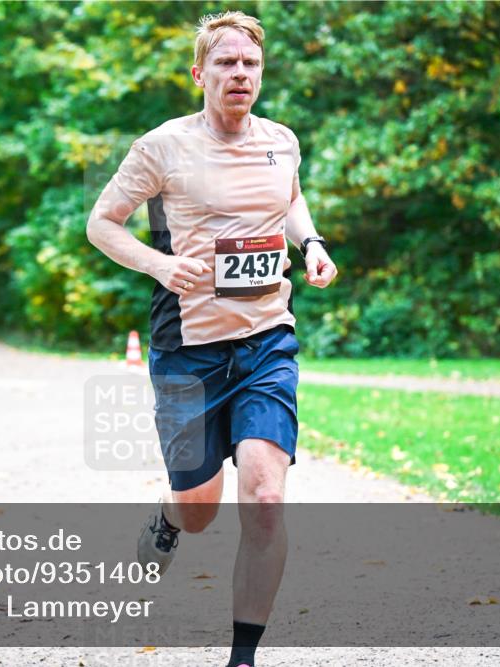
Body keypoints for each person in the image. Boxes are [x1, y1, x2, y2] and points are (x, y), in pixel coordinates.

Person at [86, 11, 337, 667]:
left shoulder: (282, 140)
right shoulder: (161, 147)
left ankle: (243, 656)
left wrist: (310, 243)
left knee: (265, 496)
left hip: (266, 340)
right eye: (226, 63)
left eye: (250, 64)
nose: (240, 74)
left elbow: (288, 198)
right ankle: (169, 516)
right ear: (199, 73)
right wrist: (161, 265)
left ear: (261, 73)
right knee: (200, 509)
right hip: (187, 347)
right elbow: (102, 224)